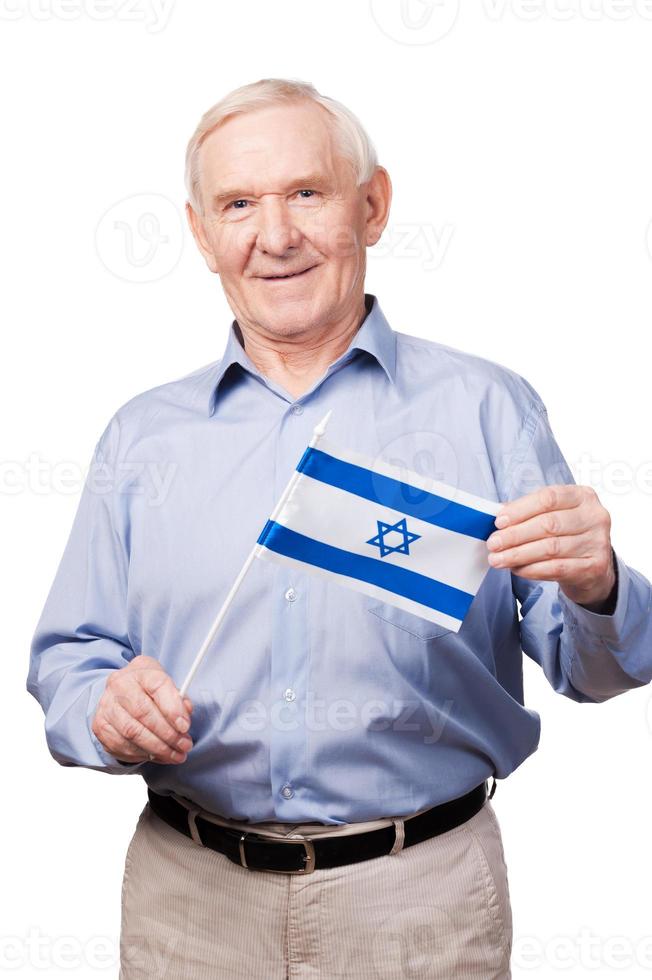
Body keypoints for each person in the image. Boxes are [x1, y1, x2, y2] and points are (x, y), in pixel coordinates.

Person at [27, 78, 652, 980]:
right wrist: (101, 709)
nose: (274, 236)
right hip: (189, 906)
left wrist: (600, 587)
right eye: (239, 204)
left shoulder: (487, 410)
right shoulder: (143, 435)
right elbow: (68, 656)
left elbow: (597, 669)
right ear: (203, 236)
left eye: (306, 194)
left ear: (373, 206)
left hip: (420, 904)